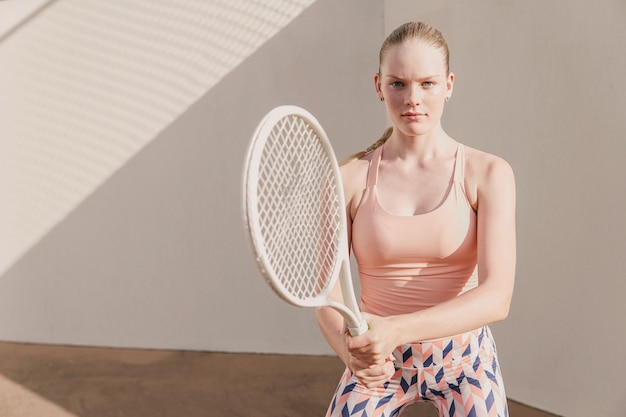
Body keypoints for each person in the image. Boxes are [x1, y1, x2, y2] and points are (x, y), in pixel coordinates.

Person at [315, 21, 516, 417]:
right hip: (380, 367)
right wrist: (352, 354)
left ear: (449, 85)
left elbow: (498, 298)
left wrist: (396, 329)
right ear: (378, 86)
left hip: (465, 363)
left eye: (427, 83)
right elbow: (327, 296)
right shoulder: (347, 179)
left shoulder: (488, 173)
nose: (412, 98)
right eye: (398, 84)